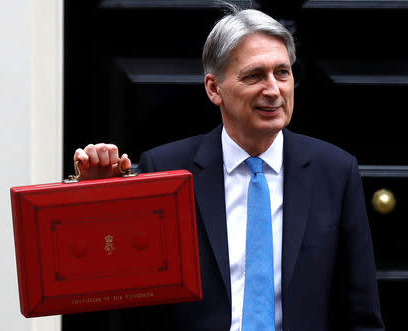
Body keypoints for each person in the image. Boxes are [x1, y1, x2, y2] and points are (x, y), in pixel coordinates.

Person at [74, 4, 384, 331]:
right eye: (254, 75)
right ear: (214, 88)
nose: (273, 89)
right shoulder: (166, 169)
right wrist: (99, 201)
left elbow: (360, 312)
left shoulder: (335, 171)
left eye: (282, 72)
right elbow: (130, 302)